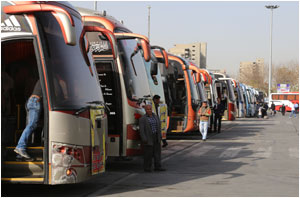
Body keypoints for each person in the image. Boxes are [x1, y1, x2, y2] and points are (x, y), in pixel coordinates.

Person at [14, 80, 42, 159]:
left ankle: (20, 155)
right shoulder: (50, 77)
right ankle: (20, 147)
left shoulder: (41, 79)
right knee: (32, 125)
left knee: (29, 126)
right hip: (35, 101)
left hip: (31, 101)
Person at [139, 104, 166, 172]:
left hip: (156, 137)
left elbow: (159, 127)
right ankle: (147, 168)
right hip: (148, 138)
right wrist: (144, 139)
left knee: (157, 153)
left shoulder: (156, 117)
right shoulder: (143, 119)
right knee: (148, 154)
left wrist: (160, 137)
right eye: (147, 109)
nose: (149, 110)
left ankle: (158, 166)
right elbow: (141, 130)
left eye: (150, 109)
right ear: (145, 110)